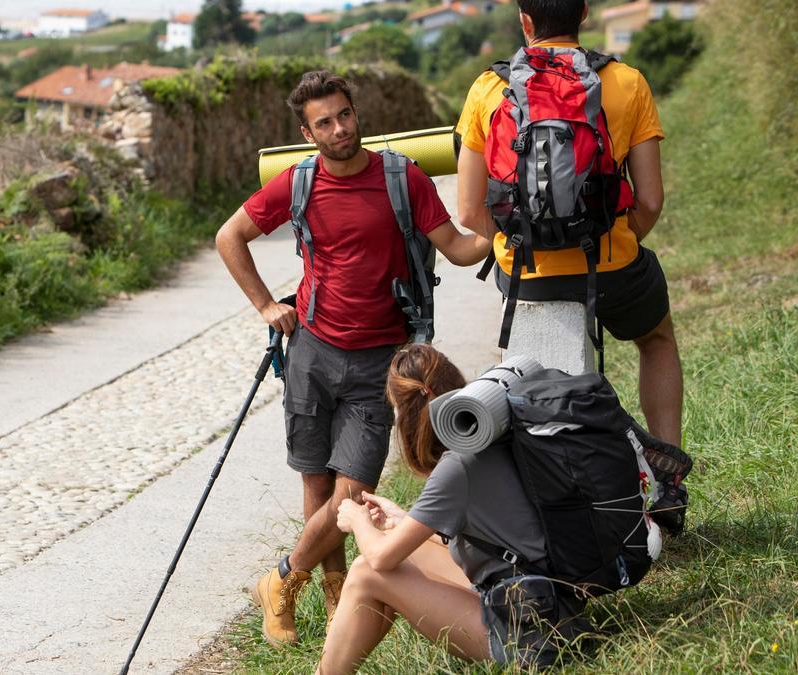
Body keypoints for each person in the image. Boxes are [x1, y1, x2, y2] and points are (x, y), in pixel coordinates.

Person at [215, 70, 491, 647]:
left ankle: (282, 579)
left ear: (356, 112)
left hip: (378, 363)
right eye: (325, 122)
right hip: (311, 350)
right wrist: (266, 304)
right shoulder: (298, 183)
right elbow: (229, 236)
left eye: (345, 115)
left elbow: (459, 248)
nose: (339, 128)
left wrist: (504, 230)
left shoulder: (402, 178)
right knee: (317, 482)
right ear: (307, 132)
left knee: (353, 493)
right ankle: (336, 596)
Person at [455, 0, 683, 449]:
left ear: (525, 21)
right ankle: (668, 464)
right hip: (612, 266)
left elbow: (467, 211)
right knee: (656, 339)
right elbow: (651, 200)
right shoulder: (626, 82)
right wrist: (616, 236)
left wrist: (519, 239)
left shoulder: (487, 88)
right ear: (584, 14)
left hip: (527, 273)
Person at [317, 344, 589, 673]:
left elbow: (379, 558)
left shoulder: (457, 467)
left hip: (526, 635)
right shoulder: (493, 435)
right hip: (557, 609)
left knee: (366, 572)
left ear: (406, 412)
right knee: (398, 553)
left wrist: (357, 519)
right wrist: (402, 521)